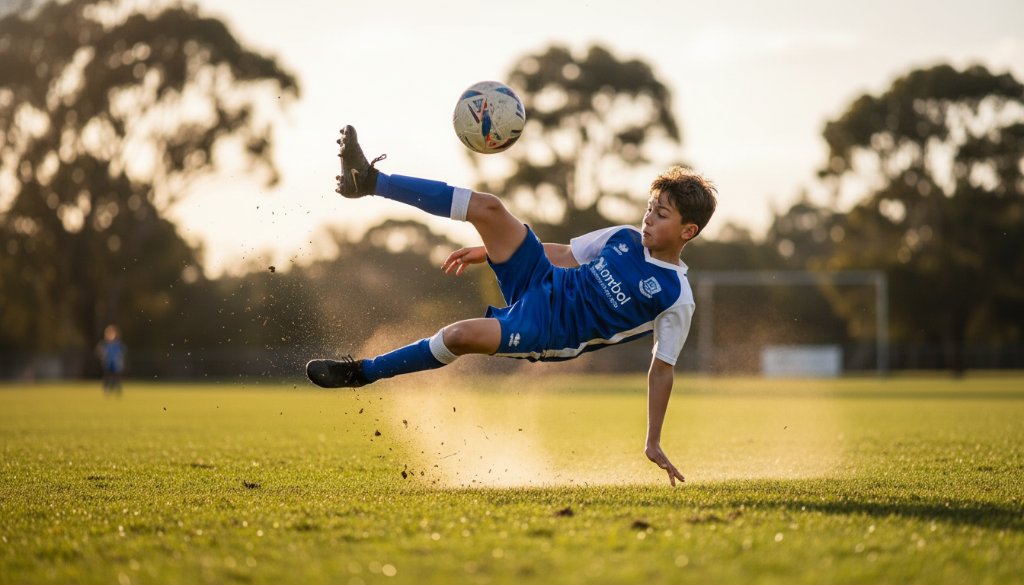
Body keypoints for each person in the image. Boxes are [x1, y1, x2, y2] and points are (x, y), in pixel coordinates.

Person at [307, 126, 717, 485]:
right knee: (488, 207)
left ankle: (361, 372)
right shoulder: (624, 237)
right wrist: (488, 250)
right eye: (649, 208)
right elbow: (564, 254)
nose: (647, 219)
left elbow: (662, 370)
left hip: (550, 328)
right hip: (543, 277)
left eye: (660, 214)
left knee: (459, 335)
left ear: (688, 230)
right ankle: (370, 181)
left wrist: (653, 440)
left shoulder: (675, 296)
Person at [96, 324, 126, 393]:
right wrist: (102, 356)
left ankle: (117, 389)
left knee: (116, 377)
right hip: (108, 363)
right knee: (107, 376)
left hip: (115, 363)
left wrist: (121, 361)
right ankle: (106, 389)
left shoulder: (118, 344)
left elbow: (121, 353)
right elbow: (100, 352)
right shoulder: (105, 344)